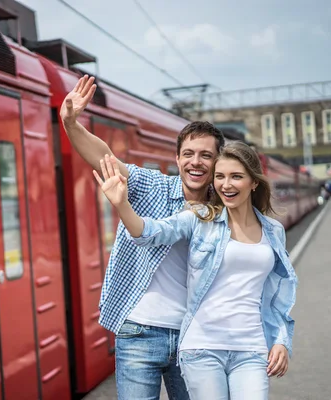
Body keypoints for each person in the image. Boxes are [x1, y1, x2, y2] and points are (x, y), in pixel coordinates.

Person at [60, 75, 225, 399]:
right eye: (188, 154)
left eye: (206, 155)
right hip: (138, 331)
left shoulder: (223, 212)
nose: (196, 162)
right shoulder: (152, 186)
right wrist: (70, 124)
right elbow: (105, 158)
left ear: (217, 162)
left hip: (195, 338)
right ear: (177, 160)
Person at [93, 142, 297, 400]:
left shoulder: (273, 230)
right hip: (203, 348)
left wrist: (280, 339)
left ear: (253, 182)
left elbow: (276, 294)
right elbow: (149, 233)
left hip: (251, 347)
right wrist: (122, 205)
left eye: (236, 177)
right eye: (220, 177)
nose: (226, 185)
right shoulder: (201, 218)